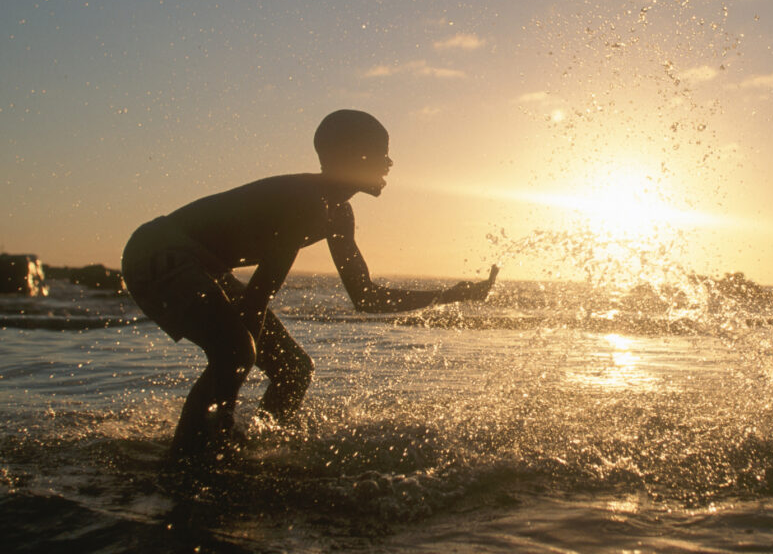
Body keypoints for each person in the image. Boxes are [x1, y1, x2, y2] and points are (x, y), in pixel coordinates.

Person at [121, 109, 499, 464]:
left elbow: (366, 296)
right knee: (235, 352)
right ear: (351, 157)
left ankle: (251, 447)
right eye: (379, 153)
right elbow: (257, 299)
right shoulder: (306, 202)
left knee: (294, 370)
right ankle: (190, 462)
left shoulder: (338, 213)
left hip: (201, 264)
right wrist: (226, 408)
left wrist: (451, 295)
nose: (389, 163)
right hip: (158, 251)